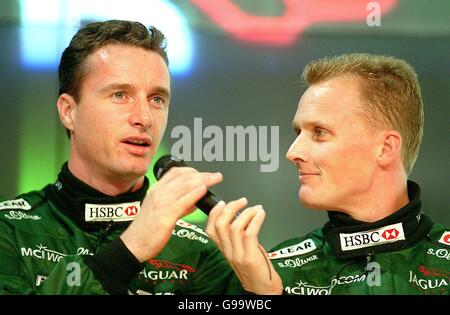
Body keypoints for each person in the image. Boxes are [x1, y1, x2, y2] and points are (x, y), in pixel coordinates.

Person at [0, 20, 236, 295]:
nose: (145, 118)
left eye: (157, 99)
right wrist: (131, 248)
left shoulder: (198, 252)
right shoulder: (9, 231)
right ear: (68, 111)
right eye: (120, 95)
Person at [206, 53, 450, 295]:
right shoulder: (271, 273)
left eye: (319, 132)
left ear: (385, 148)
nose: (292, 152)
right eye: (298, 132)